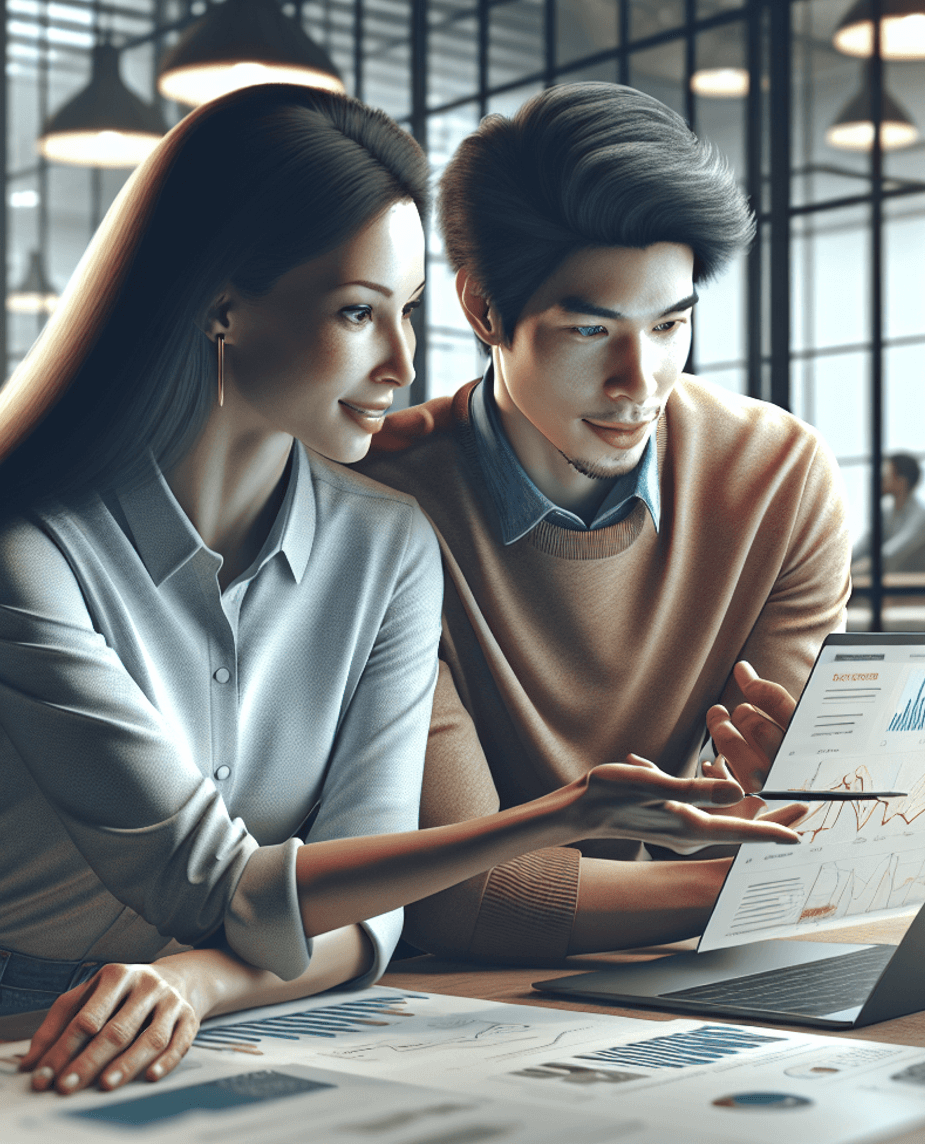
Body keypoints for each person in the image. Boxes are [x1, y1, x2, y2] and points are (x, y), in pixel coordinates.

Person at [0, 84, 798, 1096]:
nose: (401, 363)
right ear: (222, 305)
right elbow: (221, 885)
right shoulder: (26, 555)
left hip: (207, 1012)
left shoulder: (388, 546)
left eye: (408, 311)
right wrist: (568, 815)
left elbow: (368, 912)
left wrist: (196, 985)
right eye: (356, 312)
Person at [356, 82, 851, 963]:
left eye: (670, 325)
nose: (640, 380)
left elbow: (792, 802)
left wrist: (797, 826)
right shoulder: (373, 497)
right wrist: (751, 880)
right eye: (592, 332)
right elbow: (454, 897)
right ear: (482, 310)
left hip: (709, 970)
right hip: (460, 1008)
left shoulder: (777, 475)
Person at [851, 452, 925, 575]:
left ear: (902, 481)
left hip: (921, 591)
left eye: (886, 475)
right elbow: (863, 547)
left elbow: (888, 555)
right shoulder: (886, 514)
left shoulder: (924, 517)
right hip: (893, 589)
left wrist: (849, 572)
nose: (880, 478)